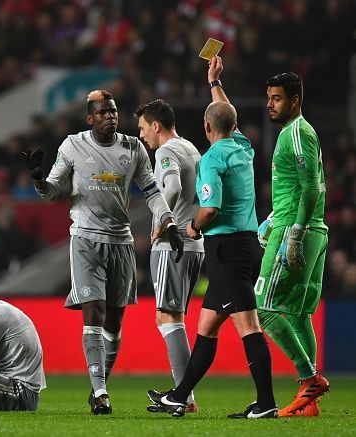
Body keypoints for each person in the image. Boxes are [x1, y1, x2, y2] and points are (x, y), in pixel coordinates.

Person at [22, 90, 184, 415]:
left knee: (114, 323)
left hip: (120, 242)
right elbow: (52, 192)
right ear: (90, 118)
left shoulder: (133, 147)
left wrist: (168, 220)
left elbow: (151, 189)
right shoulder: (72, 145)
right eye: (104, 112)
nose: (111, 116)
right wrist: (39, 180)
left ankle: (101, 384)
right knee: (93, 312)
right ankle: (100, 393)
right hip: (84, 238)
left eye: (113, 110)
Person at [150, 56, 277, 419]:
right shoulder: (243, 148)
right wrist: (214, 83)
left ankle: (267, 403)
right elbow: (227, 114)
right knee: (206, 328)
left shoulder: (211, 160)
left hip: (227, 249)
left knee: (248, 326)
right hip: (245, 244)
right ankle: (179, 395)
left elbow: (210, 210)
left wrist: (191, 228)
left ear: (206, 126)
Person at [255, 72, 330, 417]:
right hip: (306, 227)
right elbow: (298, 188)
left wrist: (294, 232)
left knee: (265, 308)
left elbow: (311, 188)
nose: (271, 104)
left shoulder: (298, 133)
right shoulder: (294, 133)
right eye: (269, 97)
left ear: (295, 100)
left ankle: (308, 377)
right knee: (298, 314)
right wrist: (272, 217)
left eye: (277, 98)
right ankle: (308, 400)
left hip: (297, 230)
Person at [135, 99, 204, 413]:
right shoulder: (191, 147)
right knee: (173, 317)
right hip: (195, 244)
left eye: (142, 129)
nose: (142, 136)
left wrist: (165, 223)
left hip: (172, 245)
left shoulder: (165, 152)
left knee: (167, 317)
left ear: (156, 125)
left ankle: (184, 397)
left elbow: (172, 187)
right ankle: (184, 393)